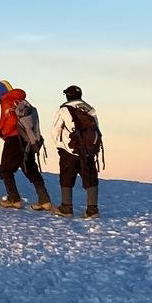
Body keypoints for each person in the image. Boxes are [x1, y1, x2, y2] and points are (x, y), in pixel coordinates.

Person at [0, 87, 52, 210]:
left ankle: (14, 199)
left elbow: (11, 121)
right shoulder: (22, 101)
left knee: (5, 169)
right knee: (30, 168)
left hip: (13, 139)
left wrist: (3, 132)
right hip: (27, 139)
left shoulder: (6, 100)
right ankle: (45, 200)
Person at [52, 84, 103, 217]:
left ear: (68, 96)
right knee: (91, 177)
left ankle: (66, 207)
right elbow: (96, 128)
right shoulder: (89, 109)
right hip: (88, 150)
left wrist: (59, 145)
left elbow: (55, 130)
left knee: (66, 177)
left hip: (70, 150)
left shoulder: (64, 109)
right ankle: (92, 210)